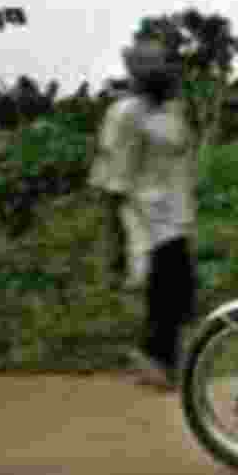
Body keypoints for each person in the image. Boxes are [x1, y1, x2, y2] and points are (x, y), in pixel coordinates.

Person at [89, 38, 197, 391]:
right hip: (146, 220)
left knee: (179, 297)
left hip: (177, 217)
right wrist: (114, 243)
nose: (168, 74)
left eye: (168, 66)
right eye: (160, 69)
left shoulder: (174, 111)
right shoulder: (125, 114)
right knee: (164, 294)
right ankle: (158, 364)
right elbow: (112, 181)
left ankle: (160, 363)